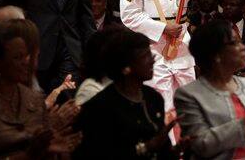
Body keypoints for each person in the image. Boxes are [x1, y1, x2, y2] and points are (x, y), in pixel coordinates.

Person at [120, 0, 227, 126]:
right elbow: (128, 15)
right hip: (153, 52)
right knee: (163, 108)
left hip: (182, 50)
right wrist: (162, 28)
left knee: (190, 106)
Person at [0, 20, 82, 159]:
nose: (26, 62)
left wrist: (53, 151)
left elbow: (48, 148)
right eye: (17, 57)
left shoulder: (34, 98)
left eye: (27, 55)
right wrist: (27, 155)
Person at [174, 20, 245, 159]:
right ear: (215, 54)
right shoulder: (189, 94)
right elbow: (201, 145)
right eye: (235, 43)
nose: (243, 47)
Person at [74, 29, 177, 159]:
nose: (152, 61)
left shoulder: (153, 97)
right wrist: (147, 147)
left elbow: (162, 147)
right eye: (145, 56)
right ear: (126, 67)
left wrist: (175, 151)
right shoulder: (101, 106)